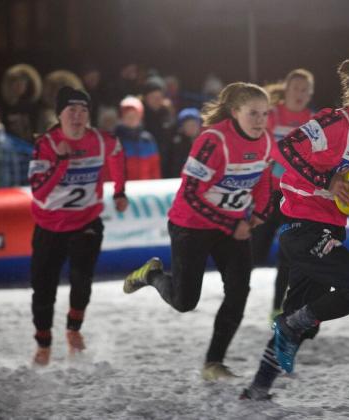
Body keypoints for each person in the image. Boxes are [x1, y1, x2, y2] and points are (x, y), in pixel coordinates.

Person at [241, 59, 349, 401]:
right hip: (302, 228)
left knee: (300, 321)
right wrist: (330, 179)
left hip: (331, 230)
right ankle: (288, 327)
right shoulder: (337, 122)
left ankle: (258, 387)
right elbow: (287, 148)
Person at [122, 82, 274, 381]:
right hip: (191, 226)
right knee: (184, 302)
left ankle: (213, 363)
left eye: (265, 114)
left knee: (239, 292)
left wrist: (260, 213)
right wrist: (232, 223)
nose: (260, 121)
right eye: (253, 113)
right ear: (234, 113)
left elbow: (263, 180)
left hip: (230, 229)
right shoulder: (213, 140)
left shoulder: (266, 141)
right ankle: (151, 275)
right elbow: (191, 193)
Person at [28, 87, 128, 365]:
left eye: (83, 110)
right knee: (43, 287)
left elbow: (118, 152)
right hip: (50, 225)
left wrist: (120, 191)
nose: (78, 116)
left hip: (86, 221)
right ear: (59, 114)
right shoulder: (46, 144)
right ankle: (44, 343)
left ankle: (73, 330)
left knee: (82, 278)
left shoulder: (99, 139)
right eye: (71, 110)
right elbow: (39, 192)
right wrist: (61, 162)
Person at [252, 68, 315, 322]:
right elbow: (260, 148)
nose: (300, 94)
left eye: (305, 90)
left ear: (310, 94)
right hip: (269, 195)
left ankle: (278, 309)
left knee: (287, 258)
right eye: (296, 88)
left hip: (297, 199)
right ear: (286, 90)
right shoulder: (273, 115)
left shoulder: (313, 121)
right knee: (255, 255)